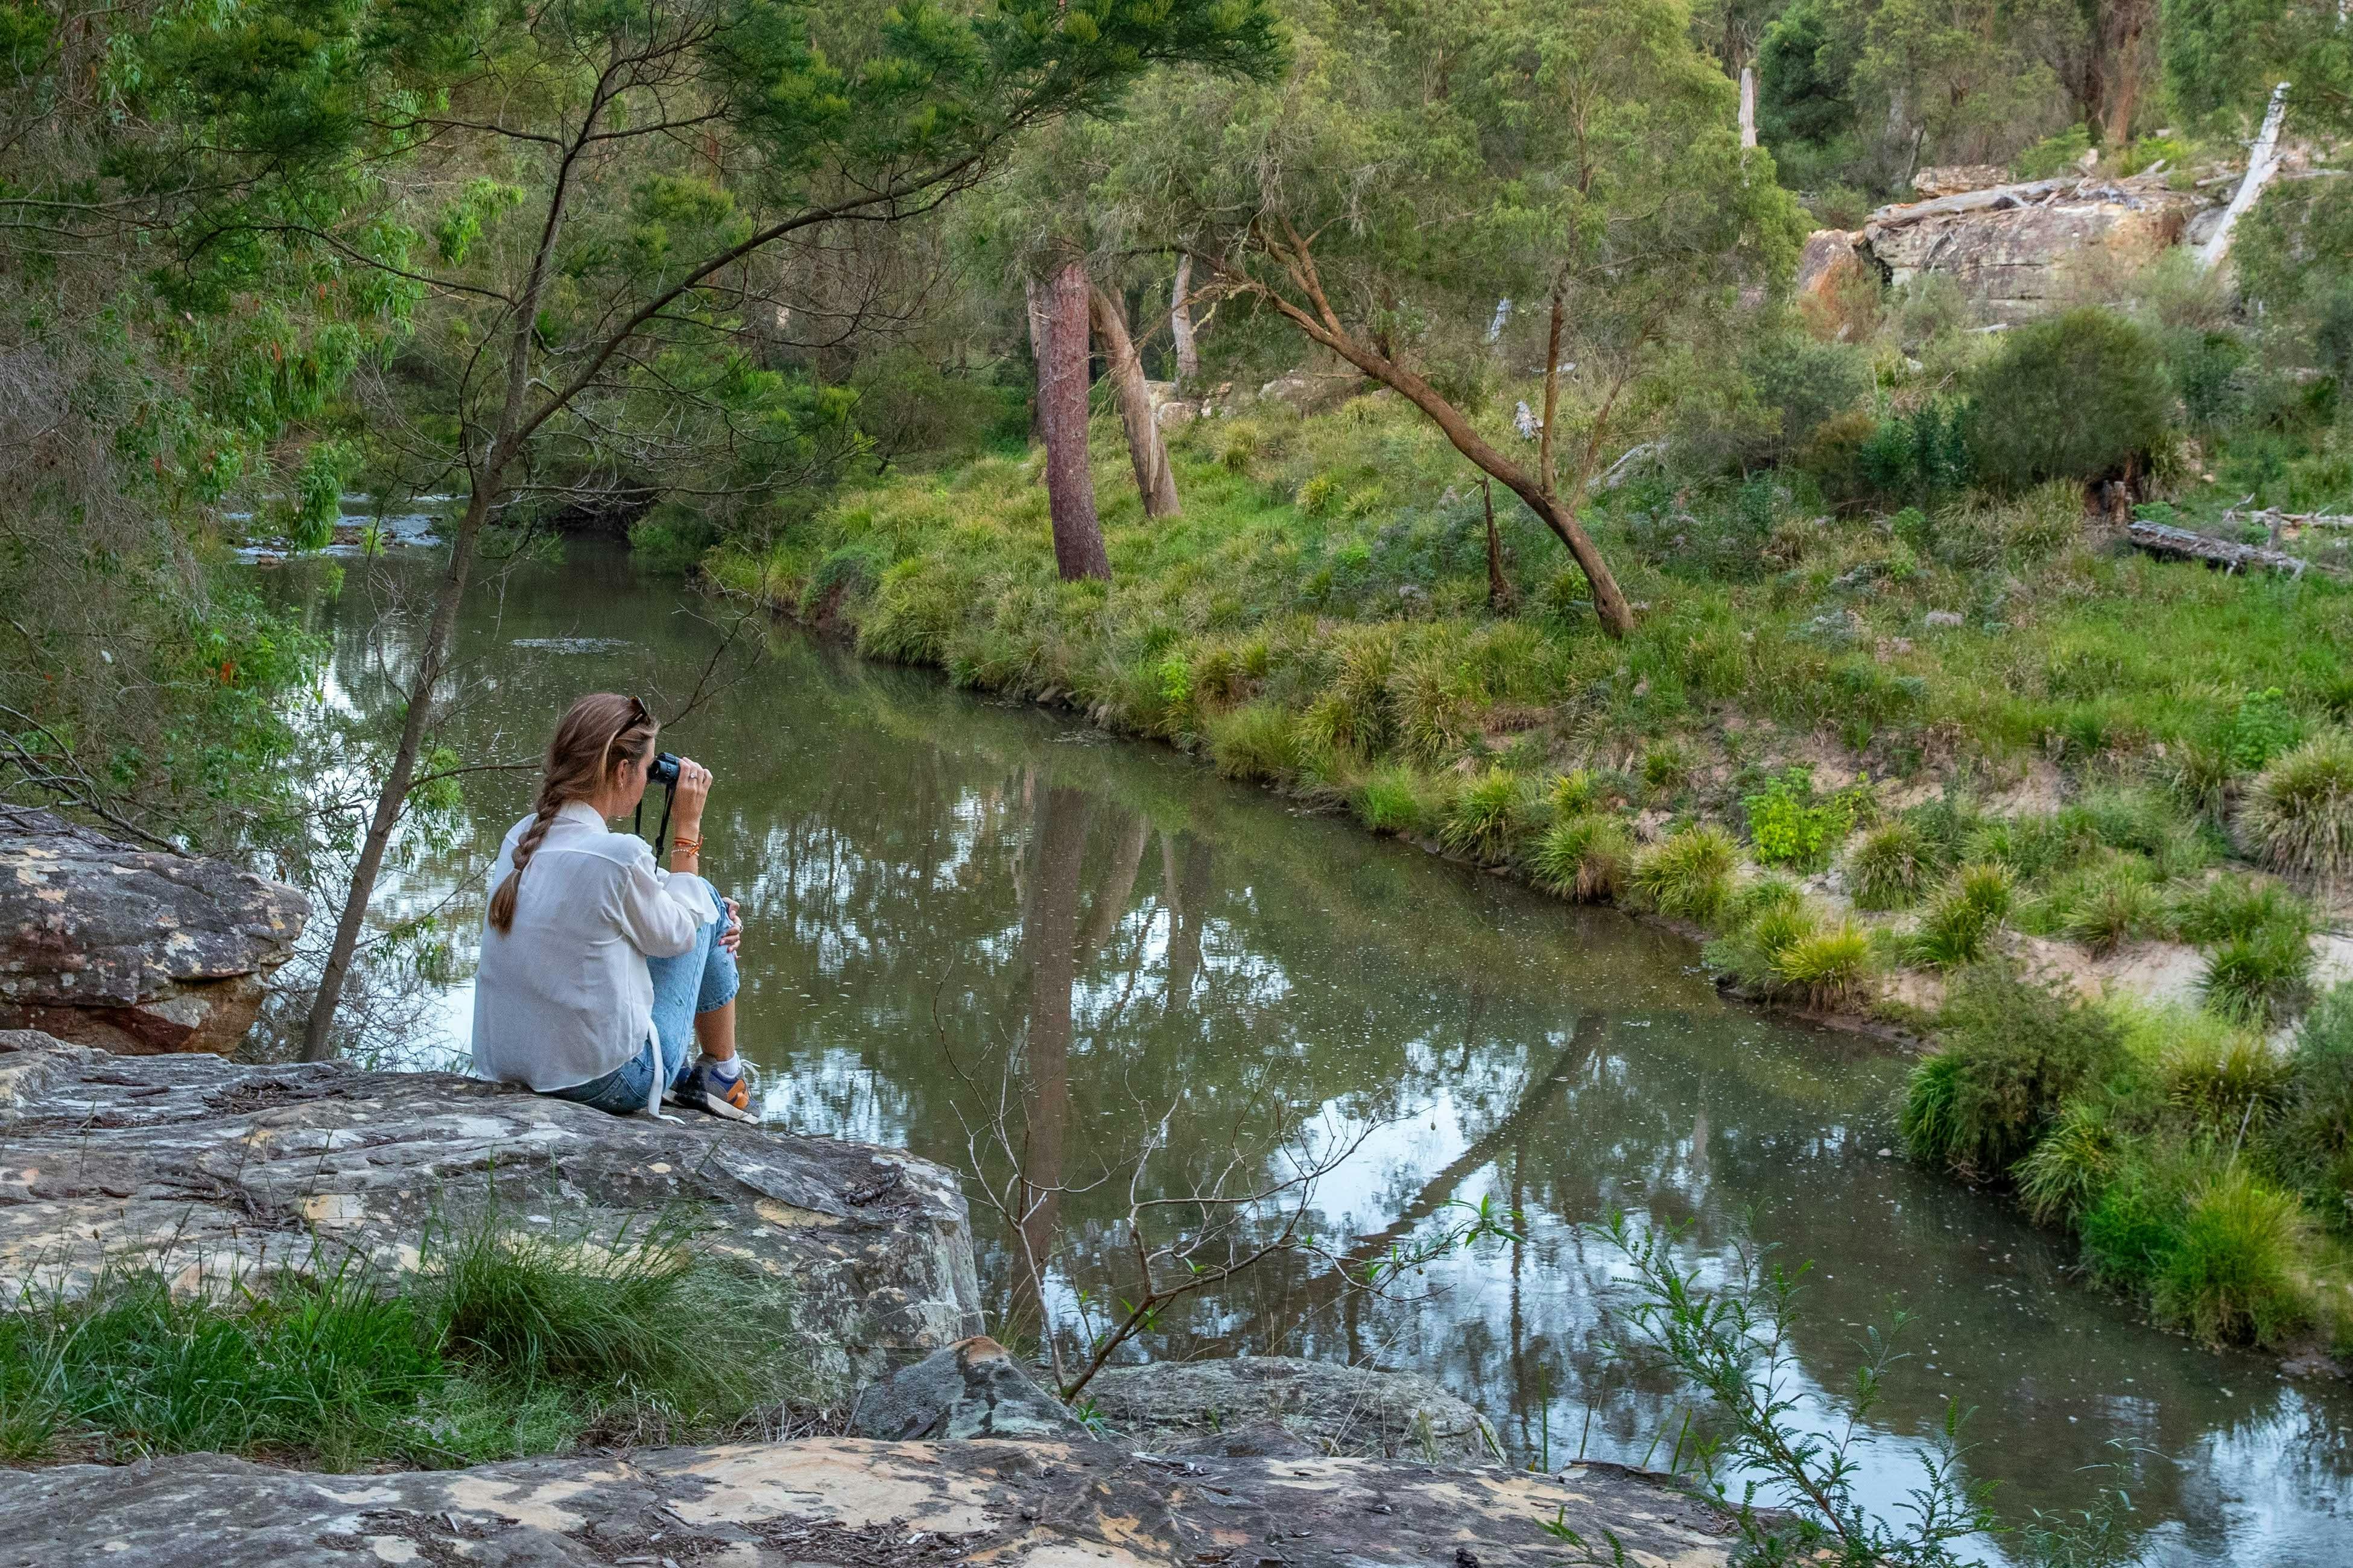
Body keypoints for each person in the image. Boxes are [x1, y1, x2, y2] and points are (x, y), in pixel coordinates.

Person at [471, 692, 757, 1121]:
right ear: (623, 771)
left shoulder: (521, 836)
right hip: (607, 1080)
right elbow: (681, 935)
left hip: (508, 1064)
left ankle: (718, 1073)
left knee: (701, 903)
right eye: (648, 768)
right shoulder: (617, 857)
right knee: (704, 905)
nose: (648, 780)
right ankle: (723, 1074)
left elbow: (616, 887)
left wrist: (703, 907)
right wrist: (688, 829)